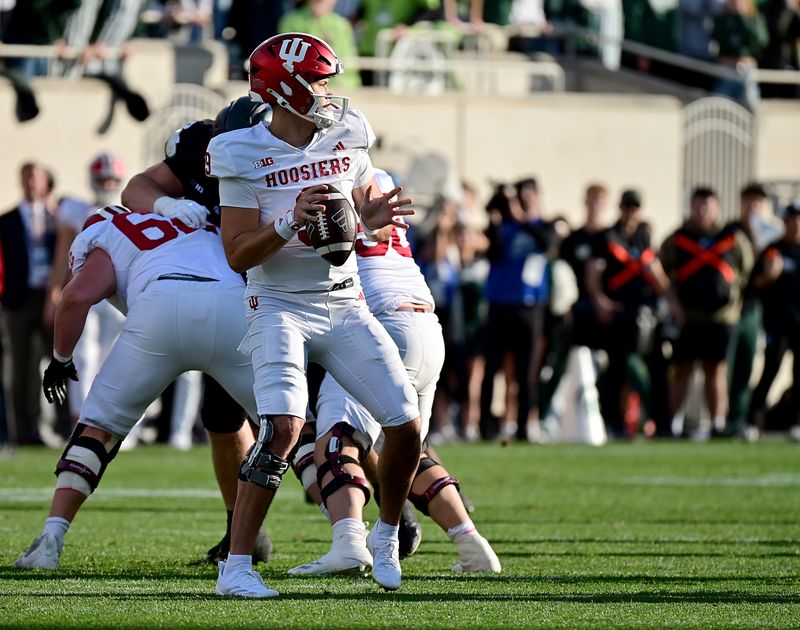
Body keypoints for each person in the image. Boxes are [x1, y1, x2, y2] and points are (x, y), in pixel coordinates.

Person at [207, 33, 422, 597]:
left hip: (345, 300)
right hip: (279, 305)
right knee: (282, 427)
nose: (330, 92)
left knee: (406, 422)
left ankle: (385, 530)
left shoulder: (350, 133)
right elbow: (235, 254)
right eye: (320, 81)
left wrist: (369, 216)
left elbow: (366, 205)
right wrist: (287, 224)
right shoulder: (240, 151)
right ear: (285, 88)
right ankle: (237, 566)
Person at [13, 204, 260, 571]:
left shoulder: (105, 225)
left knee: (97, 430)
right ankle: (348, 528)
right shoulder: (201, 221)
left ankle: (51, 538)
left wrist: (61, 359)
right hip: (231, 306)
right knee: (291, 425)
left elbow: (77, 296)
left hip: (160, 308)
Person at [286, 168, 500, 577]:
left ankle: (348, 541)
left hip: (381, 322)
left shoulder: (332, 176)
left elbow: (360, 234)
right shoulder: (373, 176)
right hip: (423, 323)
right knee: (404, 451)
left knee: (337, 438)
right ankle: (471, 543)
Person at [120, 96, 272, 565]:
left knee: (319, 420)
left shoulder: (288, 161)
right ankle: (243, 533)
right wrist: (166, 203)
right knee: (222, 420)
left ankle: (390, 513)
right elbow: (136, 188)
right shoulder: (197, 142)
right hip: (231, 301)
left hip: (286, 297)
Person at [660, 187, 753, 440]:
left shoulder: (732, 237)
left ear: (717, 208)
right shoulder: (677, 238)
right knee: (681, 369)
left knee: (716, 370)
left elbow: (746, 272)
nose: (702, 211)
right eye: (698, 205)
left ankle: (717, 423)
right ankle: (674, 423)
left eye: (707, 206)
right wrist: (673, 305)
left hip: (722, 317)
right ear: (690, 208)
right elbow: (661, 271)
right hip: (687, 317)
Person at [585, 189, 678, 438]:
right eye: (627, 207)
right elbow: (593, 273)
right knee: (619, 370)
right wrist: (600, 301)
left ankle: (661, 424)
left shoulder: (643, 237)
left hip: (646, 314)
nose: (631, 213)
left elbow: (657, 275)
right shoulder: (607, 237)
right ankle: (614, 423)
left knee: (656, 369)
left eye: (635, 208)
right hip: (620, 314)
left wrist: (672, 305)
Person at [45, 153, 128, 427]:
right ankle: (81, 417)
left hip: (118, 294)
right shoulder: (76, 211)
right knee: (83, 355)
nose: (106, 184)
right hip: (84, 291)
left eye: (111, 179)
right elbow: (61, 256)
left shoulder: (130, 209)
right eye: (102, 179)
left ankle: (112, 418)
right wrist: (55, 292)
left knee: (114, 355)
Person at [480, 178, 558, 443]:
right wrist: (498, 215)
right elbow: (493, 252)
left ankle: (525, 426)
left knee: (526, 372)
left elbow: (548, 244)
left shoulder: (544, 227)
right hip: (500, 303)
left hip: (529, 306)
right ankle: (486, 426)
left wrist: (523, 218)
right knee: (492, 368)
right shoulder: (502, 227)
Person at [0, 162, 59, 446]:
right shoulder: (7, 220)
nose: (30, 183)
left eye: (35, 178)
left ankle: (61, 426)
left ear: (46, 182)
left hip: (50, 298)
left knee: (60, 361)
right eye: (25, 178)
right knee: (20, 368)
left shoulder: (56, 218)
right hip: (19, 301)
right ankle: (23, 431)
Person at [745, 201, 800, 441]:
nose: (796, 224)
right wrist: (769, 276)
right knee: (770, 371)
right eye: (792, 219)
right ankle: (751, 423)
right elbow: (752, 286)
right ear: (785, 222)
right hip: (778, 324)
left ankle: (795, 423)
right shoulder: (773, 251)